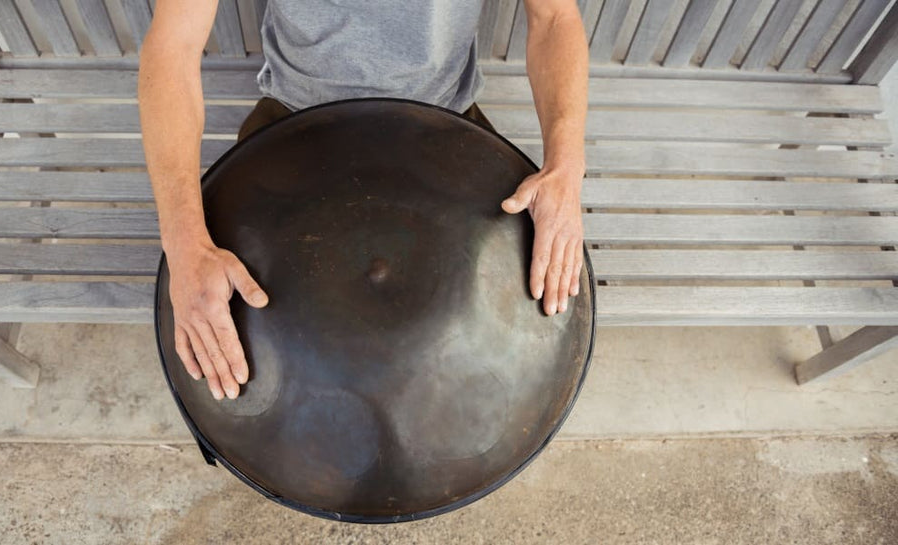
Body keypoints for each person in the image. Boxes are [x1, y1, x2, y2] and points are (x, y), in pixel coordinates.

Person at [139, 0, 589, 401]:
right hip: (293, 124)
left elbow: (554, 17)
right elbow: (173, 47)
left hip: (445, 124)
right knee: (255, 358)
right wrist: (183, 240)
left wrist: (565, 166)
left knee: (496, 358)